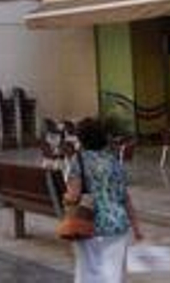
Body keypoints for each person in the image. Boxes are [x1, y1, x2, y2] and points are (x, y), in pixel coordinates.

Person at [64, 116, 142, 283]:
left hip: (89, 224)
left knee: (87, 272)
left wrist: (67, 202)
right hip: (117, 224)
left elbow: (74, 196)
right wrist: (136, 227)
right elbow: (125, 197)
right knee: (113, 275)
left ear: (81, 139)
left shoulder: (78, 161)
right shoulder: (114, 161)